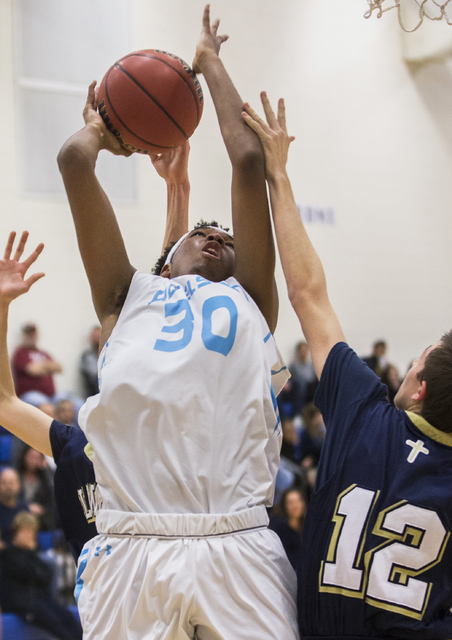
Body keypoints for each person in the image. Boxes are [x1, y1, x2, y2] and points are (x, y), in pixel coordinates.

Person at [56, 5, 297, 640]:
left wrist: (209, 62)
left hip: (237, 541)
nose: (218, 235)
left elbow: (248, 164)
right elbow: (73, 164)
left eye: (228, 235)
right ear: (167, 261)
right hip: (130, 546)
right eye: (202, 232)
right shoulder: (124, 297)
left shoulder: (251, 299)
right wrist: (104, 129)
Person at [243, 93, 452, 638]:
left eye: (414, 363)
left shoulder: (364, 412)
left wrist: (279, 176)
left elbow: (307, 293)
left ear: (421, 390)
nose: (404, 367)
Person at [0, 138, 192, 562]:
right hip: (107, 592)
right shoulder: (76, 445)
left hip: (176, 570)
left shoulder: (163, 427)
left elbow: (170, 284)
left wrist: (178, 187)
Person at [0, 511, 82, 640]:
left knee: (68, 617)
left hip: (41, 598)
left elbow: (47, 574)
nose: (29, 535)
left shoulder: (32, 553)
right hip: (23, 603)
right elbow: (28, 573)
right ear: (16, 532)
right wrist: (31, 554)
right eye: (25, 531)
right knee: (57, 624)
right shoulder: (8, 554)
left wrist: (31, 555)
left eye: (31, 531)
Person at [79, 326, 101, 399]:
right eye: (94, 337)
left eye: (99, 336)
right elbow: (95, 376)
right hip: (94, 395)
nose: (97, 340)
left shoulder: (110, 354)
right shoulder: (87, 356)